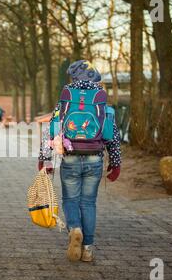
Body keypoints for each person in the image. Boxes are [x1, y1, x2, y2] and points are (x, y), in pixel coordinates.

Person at [38, 60, 121, 263]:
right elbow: (112, 133)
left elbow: (52, 128)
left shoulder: (66, 97)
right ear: (95, 77)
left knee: (71, 200)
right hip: (95, 157)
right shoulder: (101, 100)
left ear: (73, 77)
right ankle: (88, 250)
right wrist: (115, 162)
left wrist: (44, 159)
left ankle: (75, 228)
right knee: (89, 203)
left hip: (71, 156)